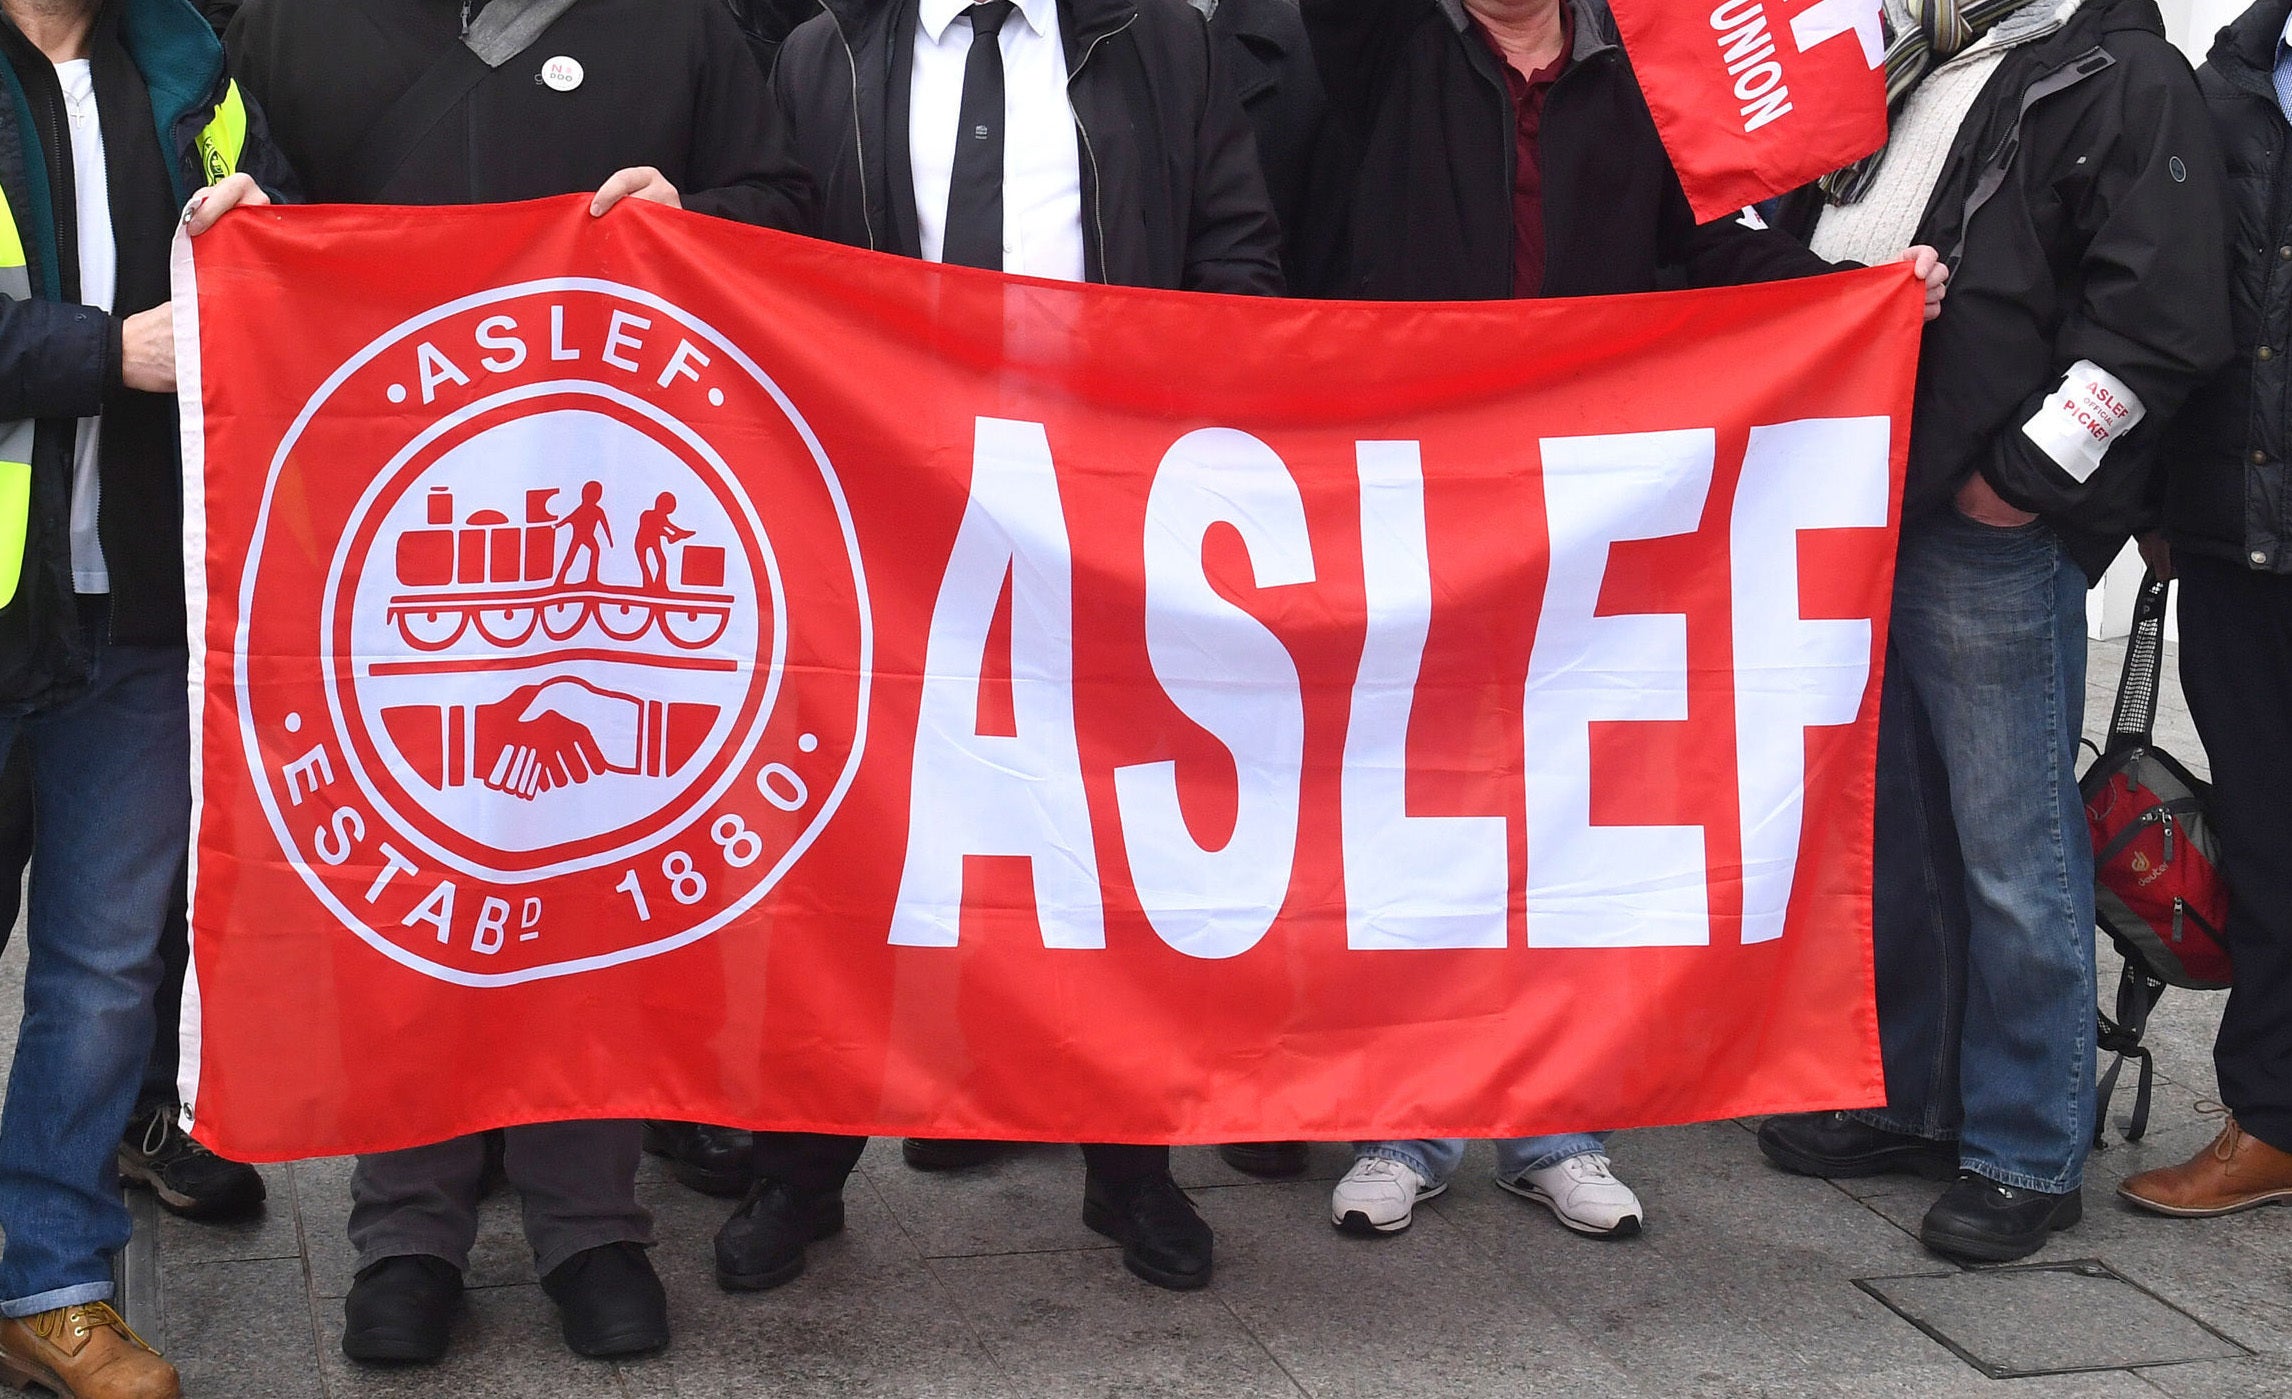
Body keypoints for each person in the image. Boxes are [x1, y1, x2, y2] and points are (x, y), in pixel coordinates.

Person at [1277, 0, 1946, 1241]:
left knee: (1557, 811)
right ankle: (1410, 1118)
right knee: (1423, 807)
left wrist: (1857, 296)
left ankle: (1555, 1122)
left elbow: (1711, 248)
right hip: (1421, 493)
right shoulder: (1388, 47)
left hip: (1583, 508)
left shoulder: (1645, 73)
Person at [226, 0, 815, 1365]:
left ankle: (590, 1221)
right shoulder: (299, 29)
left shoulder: (679, 29)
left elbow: (785, 200)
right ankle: (408, 1229)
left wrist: (697, 206)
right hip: (391, 556)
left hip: (607, 539)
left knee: (586, 871)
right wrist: (247, 223)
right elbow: (246, 204)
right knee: (407, 882)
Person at [724, 0, 1280, 1297]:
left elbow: (1236, 251)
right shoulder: (827, 54)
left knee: (1104, 842)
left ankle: (1131, 1167)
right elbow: (772, 256)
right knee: (857, 851)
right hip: (887, 522)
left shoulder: (1161, 45)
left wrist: (1179, 437)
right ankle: (800, 1171)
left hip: (1104, 508)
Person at [1756, 0, 2231, 1264]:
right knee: (1904, 823)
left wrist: (2026, 474)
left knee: (2017, 846)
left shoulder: (2127, 77)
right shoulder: (1914, 62)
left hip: (1983, 520)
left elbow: (2162, 315)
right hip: (1874, 492)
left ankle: (2027, 1145)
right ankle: (1914, 1096)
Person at [0, 0, 290, 1393]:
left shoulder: (184, 61)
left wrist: (268, 220)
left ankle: (51, 1282)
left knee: (106, 969)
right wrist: (105, 353)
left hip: (143, 601)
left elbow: (282, 234)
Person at [2117, 0, 2292, 1221]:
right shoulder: (2226, 70)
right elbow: (2181, 295)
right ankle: (2274, 1117)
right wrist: (2160, 493)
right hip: (2241, 523)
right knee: (2271, 830)